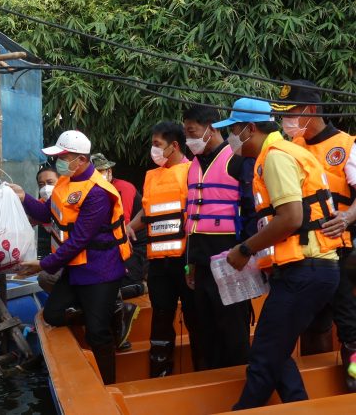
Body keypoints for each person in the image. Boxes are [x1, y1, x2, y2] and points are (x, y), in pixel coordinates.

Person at [218, 98, 342, 410]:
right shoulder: (287, 152)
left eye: (232, 130)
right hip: (307, 270)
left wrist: (245, 249)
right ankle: (298, 406)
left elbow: (291, 218)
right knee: (276, 352)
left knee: (262, 357)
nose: (230, 139)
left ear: (249, 128)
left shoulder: (275, 157)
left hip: (306, 270)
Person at [12, 130, 138, 385]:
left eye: (63, 156)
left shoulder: (98, 192)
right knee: (53, 315)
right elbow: (48, 213)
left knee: (97, 332)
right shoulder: (64, 182)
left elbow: (80, 239)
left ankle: (108, 385)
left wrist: (42, 265)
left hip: (100, 268)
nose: (58, 161)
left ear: (80, 159)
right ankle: (111, 310)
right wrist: (24, 197)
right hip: (76, 266)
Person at [271, 79, 356, 391]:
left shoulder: (346, 145)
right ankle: (314, 383)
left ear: (311, 109)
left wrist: (347, 217)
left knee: (346, 318)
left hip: (339, 248)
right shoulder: (288, 149)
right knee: (308, 322)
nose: (286, 121)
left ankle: (353, 382)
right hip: (304, 253)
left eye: (291, 113)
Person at [182, 104, 257, 370]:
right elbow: (191, 217)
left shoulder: (237, 161)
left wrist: (247, 252)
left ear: (211, 129)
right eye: (186, 132)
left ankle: (239, 381)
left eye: (192, 131)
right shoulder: (192, 166)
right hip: (200, 261)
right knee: (205, 328)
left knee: (232, 327)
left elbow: (251, 212)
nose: (188, 139)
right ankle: (210, 382)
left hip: (230, 257)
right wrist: (189, 264)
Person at [126, 121, 201, 377]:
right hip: (158, 261)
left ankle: (203, 370)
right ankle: (159, 372)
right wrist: (129, 227)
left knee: (194, 316)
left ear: (175, 146)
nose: (153, 150)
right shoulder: (152, 176)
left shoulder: (194, 171)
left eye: (157, 145)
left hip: (186, 258)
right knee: (160, 316)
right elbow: (148, 210)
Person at [91, 152, 147, 298]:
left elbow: (124, 227)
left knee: (118, 283)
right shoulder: (94, 192)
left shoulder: (123, 188)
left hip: (135, 245)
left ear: (109, 171)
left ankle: (143, 287)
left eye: (100, 172)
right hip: (113, 245)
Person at [35, 164, 60, 292]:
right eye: (41, 184)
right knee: (44, 278)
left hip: (77, 257)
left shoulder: (70, 202)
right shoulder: (40, 205)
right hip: (59, 257)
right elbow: (28, 219)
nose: (45, 188)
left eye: (50, 182)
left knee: (45, 277)